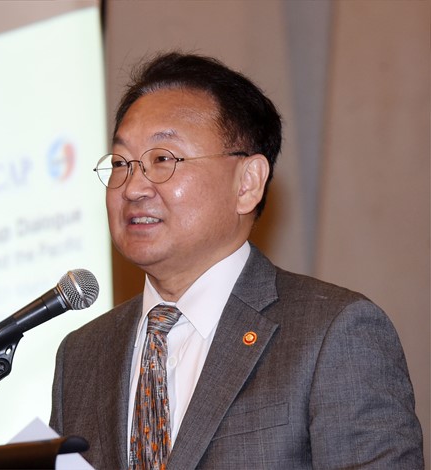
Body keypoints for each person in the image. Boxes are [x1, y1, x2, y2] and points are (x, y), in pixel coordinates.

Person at [49, 52, 424, 469]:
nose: (133, 187)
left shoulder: (332, 334)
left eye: (162, 159)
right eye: (121, 164)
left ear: (247, 183)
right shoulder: (81, 356)